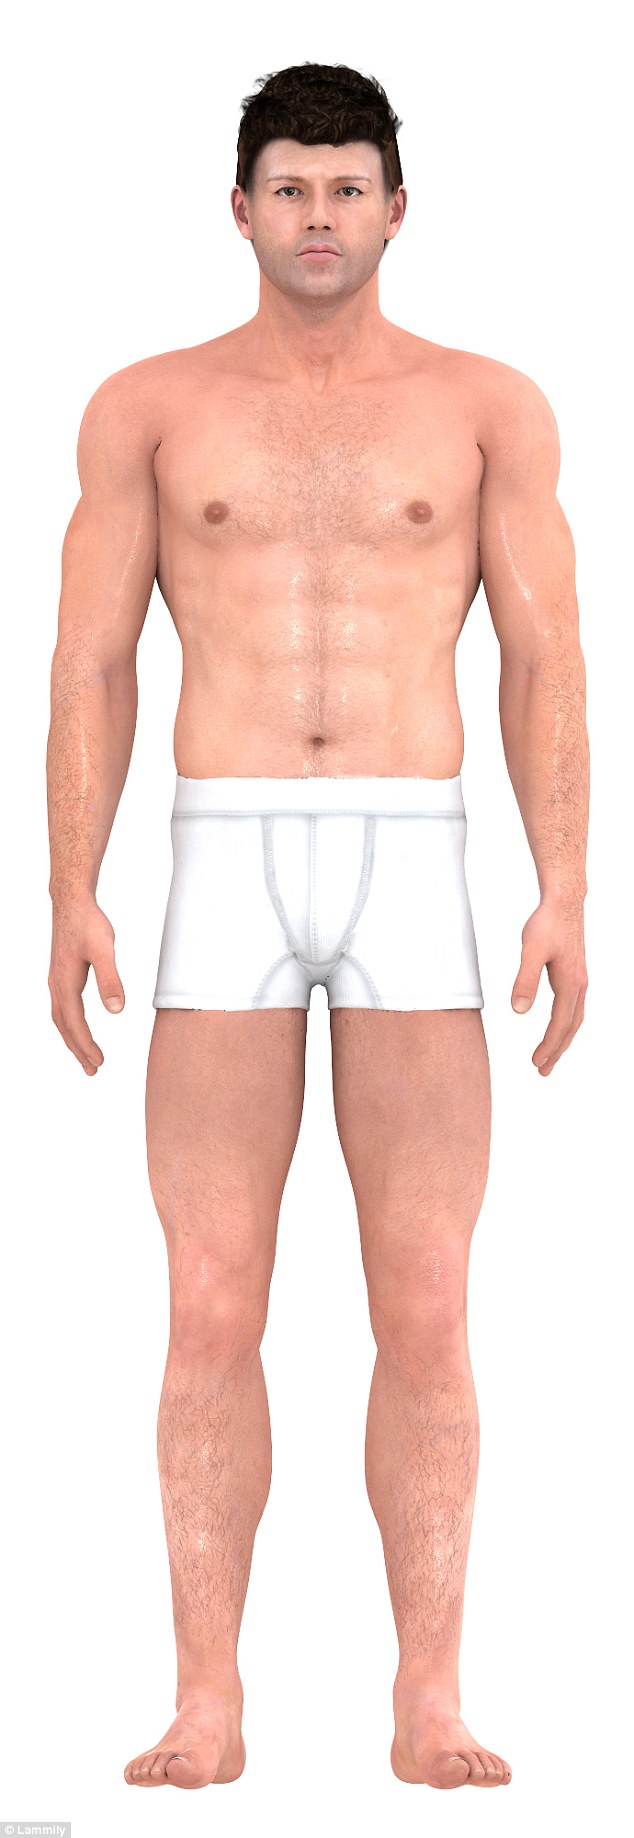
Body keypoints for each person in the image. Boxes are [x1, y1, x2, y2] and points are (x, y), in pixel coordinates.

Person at [46, 60, 589, 1792]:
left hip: (410, 851)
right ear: (240, 208)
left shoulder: (485, 407)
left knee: (424, 1300)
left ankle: (428, 1695)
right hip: (222, 853)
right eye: (289, 186)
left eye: (347, 186)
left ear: (396, 208)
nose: (319, 215)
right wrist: (70, 885)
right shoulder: (149, 406)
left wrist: (561, 885)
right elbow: (91, 661)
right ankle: (206, 1698)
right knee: (209, 1300)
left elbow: (545, 655)